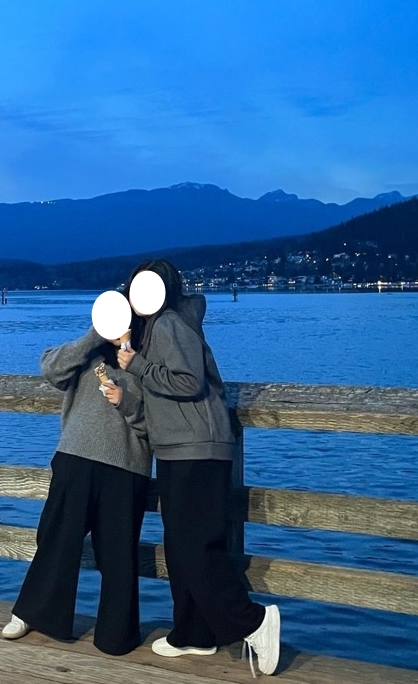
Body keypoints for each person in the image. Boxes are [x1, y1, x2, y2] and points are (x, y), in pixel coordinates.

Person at [118, 259, 281, 676]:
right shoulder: (156, 326)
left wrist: (137, 365)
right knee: (180, 546)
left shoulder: (171, 323)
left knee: (195, 547)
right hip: (178, 449)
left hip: (198, 448)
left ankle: (253, 621)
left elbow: (189, 381)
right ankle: (194, 632)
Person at [1, 322, 152, 655]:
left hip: (127, 466)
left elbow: (156, 423)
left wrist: (126, 402)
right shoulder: (87, 354)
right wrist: (94, 336)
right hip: (76, 456)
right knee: (55, 538)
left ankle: (118, 634)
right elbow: (50, 368)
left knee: (118, 555)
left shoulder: (147, 362)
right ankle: (33, 613)